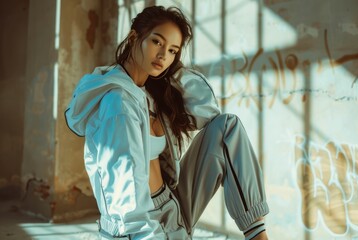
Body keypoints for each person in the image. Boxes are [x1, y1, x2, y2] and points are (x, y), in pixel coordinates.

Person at [65, 5, 269, 240]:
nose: (163, 56)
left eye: (173, 50)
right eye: (157, 42)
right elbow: (123, 193)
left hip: (172, 206)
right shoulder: (118, 103)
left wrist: (173, 71)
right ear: (134, 37)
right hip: (140, 225)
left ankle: (257, 235)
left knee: (227, 127)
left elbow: (209, 113)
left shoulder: (150, 94)